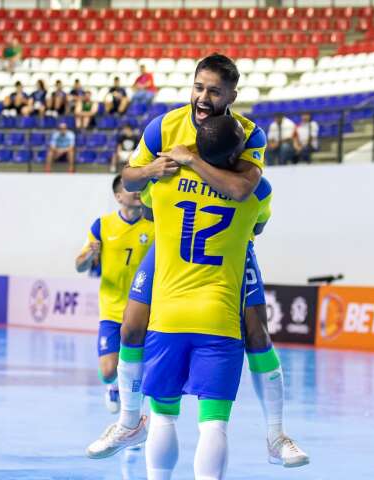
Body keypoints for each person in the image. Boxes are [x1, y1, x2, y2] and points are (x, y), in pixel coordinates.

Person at [86, 54, 309, 477]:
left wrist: (187, 165)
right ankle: (128, 421)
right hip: (175, 241)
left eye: (215, 91)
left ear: (232, 96)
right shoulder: (164, 125)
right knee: (131, 325)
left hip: (227, 247)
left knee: (257, 331)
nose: (204, 98)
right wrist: (153, 167)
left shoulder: (249, 133)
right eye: (199, 87)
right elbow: (131, 179)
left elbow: (244, 189)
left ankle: (276, 434)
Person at [75, 174, 154, 414]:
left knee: (141, 368)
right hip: (111, 308)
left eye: (139, 188)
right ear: (118, 196)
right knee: (108, 370)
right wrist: (90, 255)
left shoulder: (154, 227)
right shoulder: (103, 225)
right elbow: (79, 266)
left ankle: (135, 418)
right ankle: (112, 386)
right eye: (131, 189)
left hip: (142, 309)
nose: (137, 192)